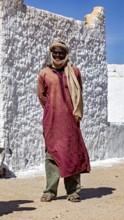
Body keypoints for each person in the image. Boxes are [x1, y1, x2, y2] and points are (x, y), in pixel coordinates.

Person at [37, 39, 90, 202]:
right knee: (51, 154)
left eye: (61, 52)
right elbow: (42, 96)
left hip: (70, 121)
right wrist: (53, 108)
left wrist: (72, 113)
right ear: (51, 53)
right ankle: (50, 191)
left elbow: (78, 94)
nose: (58, 55)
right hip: (52, 121)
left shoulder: (74, 72)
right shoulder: (44, 73)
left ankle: (73, 191)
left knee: (72, 153)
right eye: (55, 52)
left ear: (66, 54)